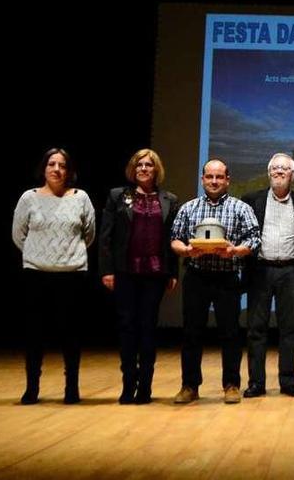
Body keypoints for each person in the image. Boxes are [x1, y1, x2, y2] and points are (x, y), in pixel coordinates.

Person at [170, 158, 260, 404]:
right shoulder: (188, 208)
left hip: (227, 277)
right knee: (191, 333)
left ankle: (231, 385)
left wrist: (235, 250)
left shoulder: (241, 208)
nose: (214, 181)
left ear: (228, 180)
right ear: (202, 179)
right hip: (196, 276)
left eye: (219, 177)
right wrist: (187, 250)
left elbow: (254, 240)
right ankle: (189, 386)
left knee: (230, 334)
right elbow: (175, 240)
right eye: (209, 176)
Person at [12, 148, 95, 404]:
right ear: (44, 168)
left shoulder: (81, 198)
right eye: (52, 164)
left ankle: (71, 388)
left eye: (62, 165)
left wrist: (68, 255)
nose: (57, 169)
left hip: (72, 273)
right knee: (34, 334)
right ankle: (32, 388)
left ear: (69, 171)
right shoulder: (29, 197)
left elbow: (88, 234)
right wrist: (38, 255)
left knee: (71, 334)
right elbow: (19, 234)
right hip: (36, 273)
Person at [99, 149, 179, 404]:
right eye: (139, 165)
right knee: (126, 328)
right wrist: (107, 270)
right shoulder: (117, 196)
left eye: (149, 165)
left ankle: (145, 386)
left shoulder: (169, 199)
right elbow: (105, 237)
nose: (144, 169)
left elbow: (173, 239)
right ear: (133, 169)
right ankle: (127, 384)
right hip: (125, 272)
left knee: (147, 329)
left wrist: (173, 271)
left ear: (157, 170)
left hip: (155, 273)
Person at [241, 153, 294, 398]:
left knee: (289, 329)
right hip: (259, 269)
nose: (279, 171)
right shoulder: (251, 200)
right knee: (256, 329)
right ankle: (256, 383)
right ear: (268, 172)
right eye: (275, 168)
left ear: (293, 174)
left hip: (290, 271)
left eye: (285, 168)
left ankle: (288, 381)